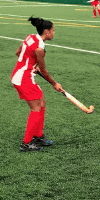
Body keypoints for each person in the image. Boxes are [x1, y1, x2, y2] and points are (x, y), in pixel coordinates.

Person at [11, 16, 64, 151]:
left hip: (22, 75)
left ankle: (38, 136)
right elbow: (44, 71)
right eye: (53, 30)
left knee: (41, 102)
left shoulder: (30, 37)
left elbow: (18, 53)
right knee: (36, 108)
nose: (53, 33)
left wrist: (31, 65)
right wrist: (54, 83)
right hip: (23, 78)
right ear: (46, 31)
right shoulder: (39, 49)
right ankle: (26, 143)